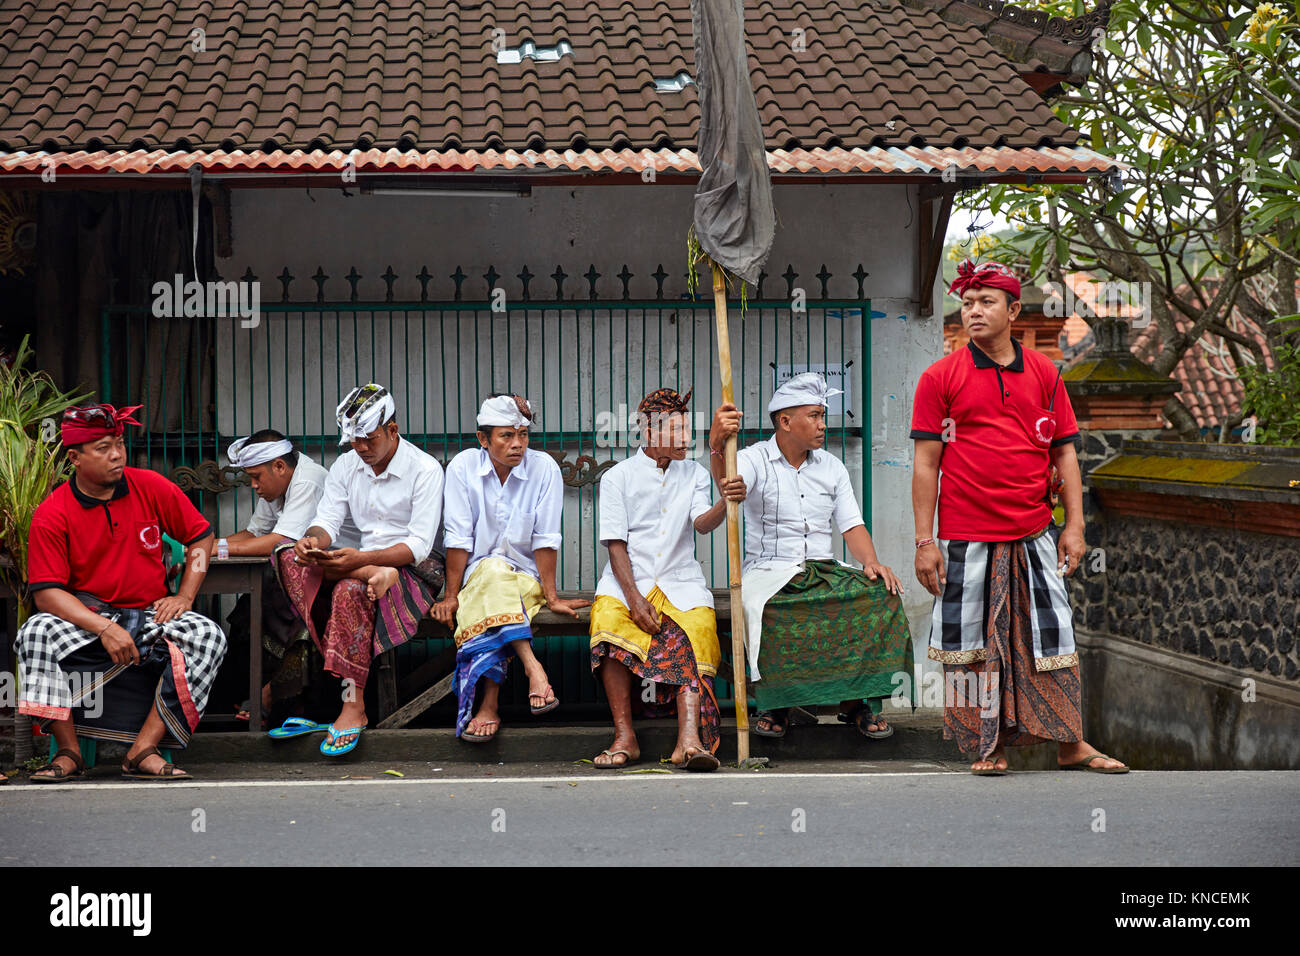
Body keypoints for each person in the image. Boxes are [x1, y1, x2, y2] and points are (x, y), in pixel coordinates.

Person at [910, 258, 1127, 775]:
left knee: (1051, 639)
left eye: (986, 302)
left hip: (1035, 532)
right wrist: (925, 540)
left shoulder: (1047, 373)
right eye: (967, 303)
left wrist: (1073, 527)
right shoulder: (940, 377)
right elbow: (925, 463)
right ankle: (987, 745)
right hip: (965, 536)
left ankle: (1071, 744)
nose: (974, 312)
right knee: (971, 643)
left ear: (1013, 309)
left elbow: (1066, 455)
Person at [17, 403, 228, 781]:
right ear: (75, 458)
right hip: (86, 619)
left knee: (208, 635)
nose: (116, 454)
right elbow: (47, 594)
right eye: (102, 447)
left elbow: (201, 537)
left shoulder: (150, 485)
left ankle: (143, 749)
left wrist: (184, 596)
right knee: (34, 633)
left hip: (149, 613)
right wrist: (103, 627)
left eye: (118, 443)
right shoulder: (53, 512)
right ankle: (69, 751)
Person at [708, 372, 912, 740]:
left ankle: (855, 702)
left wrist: (871, 562)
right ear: (785, 421)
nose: (822, 425)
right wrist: (718, 452)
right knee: (774, 610)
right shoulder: (752, 459)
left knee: (880, 596)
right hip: (769, 573)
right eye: (815, 416)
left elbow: (852, 525)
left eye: (822, 415)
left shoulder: (831, 466)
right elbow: (729, 481)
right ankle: (778, 705)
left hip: (824, 569)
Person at [280, 384, 445, 756]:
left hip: (416, 569)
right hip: (362, 562)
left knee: (348, 592)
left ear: (393, 430)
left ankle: (352, 706)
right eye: (354, 442)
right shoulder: (347, 465)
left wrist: (361, 562)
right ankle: (310, 700)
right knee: (289, 559)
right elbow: (327, 521)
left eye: (369, 440)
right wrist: (312, 542)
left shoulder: (425, 469)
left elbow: (418, 545)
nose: (362, 449)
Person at [588, 387, 746, 772]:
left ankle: (688, 741)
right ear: (647, 431)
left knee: (699, 630)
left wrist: (725, 501)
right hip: (627, 581)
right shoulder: (618, 477)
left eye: (687, 430)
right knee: (607, 626)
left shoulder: (692, 472)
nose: (685, 439)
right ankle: (625, 736)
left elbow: (701, 525)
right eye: (675, 430)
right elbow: (615, 544)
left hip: (680, 581)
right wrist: (634, 598)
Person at [431, 393, 588, 743]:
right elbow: (458, 540)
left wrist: (552, 597)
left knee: (498, 579)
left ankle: (490, 705)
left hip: (525, 580)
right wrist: (451, 596)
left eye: (524, 435)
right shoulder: (463, 468)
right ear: (483, 439)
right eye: (506, 436)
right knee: (490, 573)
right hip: (476, 581)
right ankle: (531, 671)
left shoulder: (543, 467)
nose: (518, 444)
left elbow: (546, 539)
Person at [218, 429, 360, 723]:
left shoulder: (307, 480)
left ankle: (276, 697)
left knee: (284, 606)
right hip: (307, 568)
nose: (254, 486)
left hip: (341, 567)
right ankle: (243, 692)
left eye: (257, 477)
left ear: (279, 466)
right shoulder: (276, 486)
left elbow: (279, 541)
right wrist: (207, 546)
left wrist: (215, 548)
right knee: (248, 607)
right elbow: (256, 532)